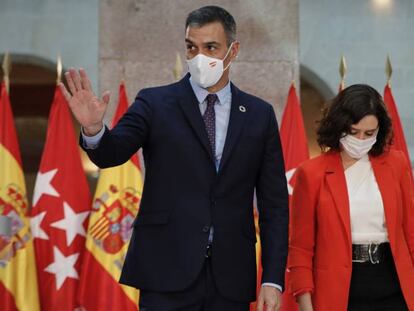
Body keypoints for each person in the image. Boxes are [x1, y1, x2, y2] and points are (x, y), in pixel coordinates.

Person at [60, 5, 289, 311]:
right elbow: (111, 153)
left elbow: (274, 204)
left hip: (231, 276)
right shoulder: (155, 103)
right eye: (192, 48)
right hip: (165, 271)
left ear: (233, 51)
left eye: (211, 48)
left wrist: (272, 279)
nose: (199, 58)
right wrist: (93, 128)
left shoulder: (259, 115)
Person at [287, 84, 414, 311]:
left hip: (394, 283)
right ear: (339, 127)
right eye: (353, 132)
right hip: (339, 290)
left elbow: (411, 231)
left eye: (369, 134)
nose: (361, 139)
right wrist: (305, 304)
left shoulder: (396, 163)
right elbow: (301, 248)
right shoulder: (311, 173)